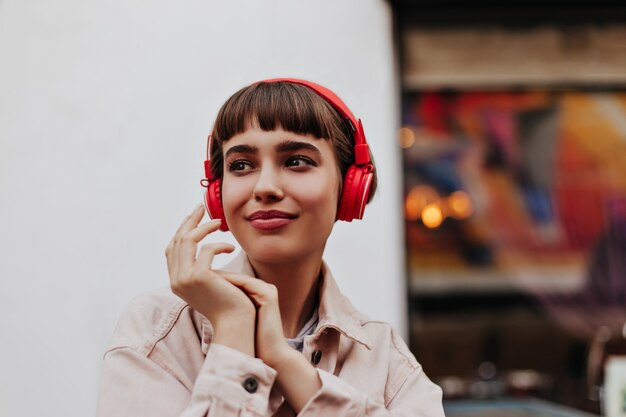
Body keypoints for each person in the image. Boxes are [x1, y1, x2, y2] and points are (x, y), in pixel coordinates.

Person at [96, 79, 444, 417]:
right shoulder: (155, 335)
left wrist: (286, 363)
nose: (264, 187)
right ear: (217, 194)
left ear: (351, 188)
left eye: (296, 161)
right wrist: (233, 329)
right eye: (241, 165)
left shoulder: (386, 360)